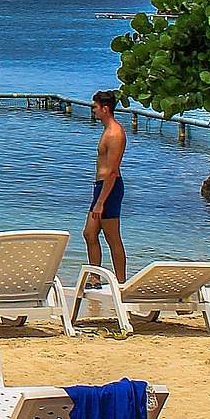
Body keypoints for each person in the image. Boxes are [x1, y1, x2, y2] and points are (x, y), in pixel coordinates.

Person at [85, 90, 127, 282]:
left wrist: (101, 201)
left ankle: (120, 282)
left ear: (105, 108)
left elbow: (112, 170)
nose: (93, 110)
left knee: (112, 238)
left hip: (109, 188)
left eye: (95, 107)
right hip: (101, 187)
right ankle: (95, 278)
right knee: (89, 233)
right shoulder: (106, 131)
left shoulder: (115, 133)